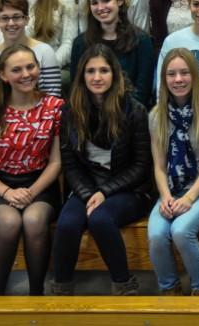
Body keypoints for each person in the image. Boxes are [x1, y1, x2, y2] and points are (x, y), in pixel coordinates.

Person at [50, 44, 152, 296]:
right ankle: (61, 289)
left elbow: (140, 167)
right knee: (67, 224)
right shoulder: (70, 111)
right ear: (82, 76)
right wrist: (88, 193)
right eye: (90, 71)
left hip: (128, 189)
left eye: (104, 70)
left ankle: (124, 284)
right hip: (87, 187)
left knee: (100, 219)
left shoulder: (135, 110)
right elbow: (70, 165)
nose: (97, 77)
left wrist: (104, 192)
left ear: (115, 74)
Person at [0, 44, 62, 295]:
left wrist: (31, 191)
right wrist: (7, 192)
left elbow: (56, 162)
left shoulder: (54, 107)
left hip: (39, 184)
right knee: (9, 222)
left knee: (33, 221)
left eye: (31, 67)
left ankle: (35, 296)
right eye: (17, 69)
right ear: (2, 75)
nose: (26, 74)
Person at [147, 48, 199, 295]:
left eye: (184, 73)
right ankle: (170, 292)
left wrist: (188, 199)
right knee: (157, 235)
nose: (178, 79)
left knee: (181, 231)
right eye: (171, 74)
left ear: (194, 75)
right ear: (164, 79)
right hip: (172, 189)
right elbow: (159, 166)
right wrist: (167, 197)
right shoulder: (156, 115)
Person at [72, 0, 154, 106]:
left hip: (129, 114)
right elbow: (77, 87)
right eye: (94, 3)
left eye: (106, 0)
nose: (100, 8)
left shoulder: (142, 41)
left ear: (120, 0)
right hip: (91, 113)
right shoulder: (80, 43)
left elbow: (143, 91)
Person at [0, 0, 61, 99]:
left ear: (26, 19)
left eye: (16, 17)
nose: (11, 23)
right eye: (5, 18)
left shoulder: (45, 52)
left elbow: (53, 98)